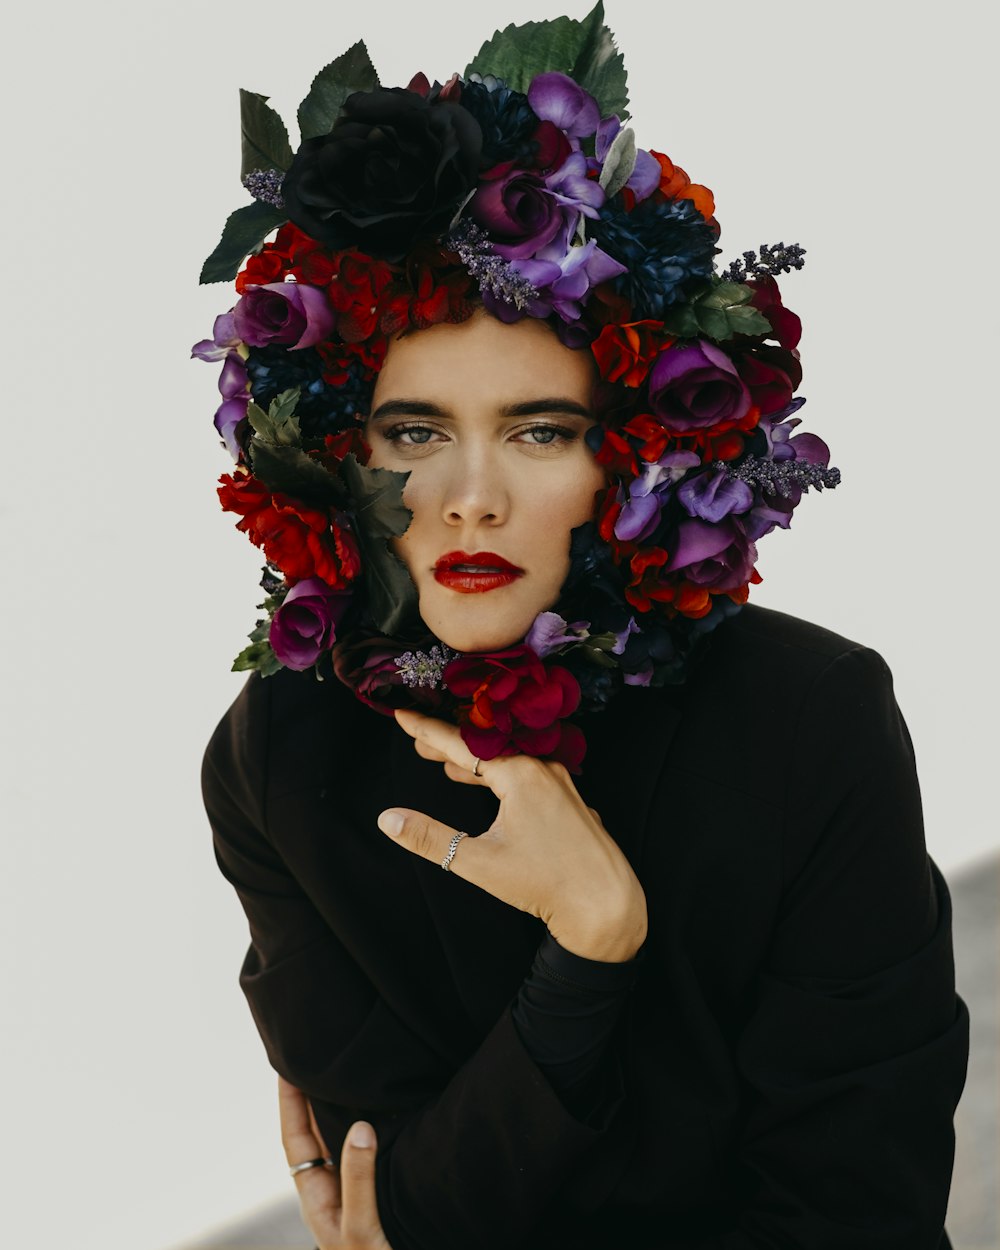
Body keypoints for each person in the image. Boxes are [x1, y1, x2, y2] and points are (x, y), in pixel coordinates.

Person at [195, 9, 970, 1248]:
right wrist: (588, 951)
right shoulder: (282, 755)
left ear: (631, 459)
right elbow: (407, 1215)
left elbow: (857, 1212)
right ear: (336, 451)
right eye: (414, 432)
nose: (472, 495)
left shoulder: (808, 719)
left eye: (541, 430)